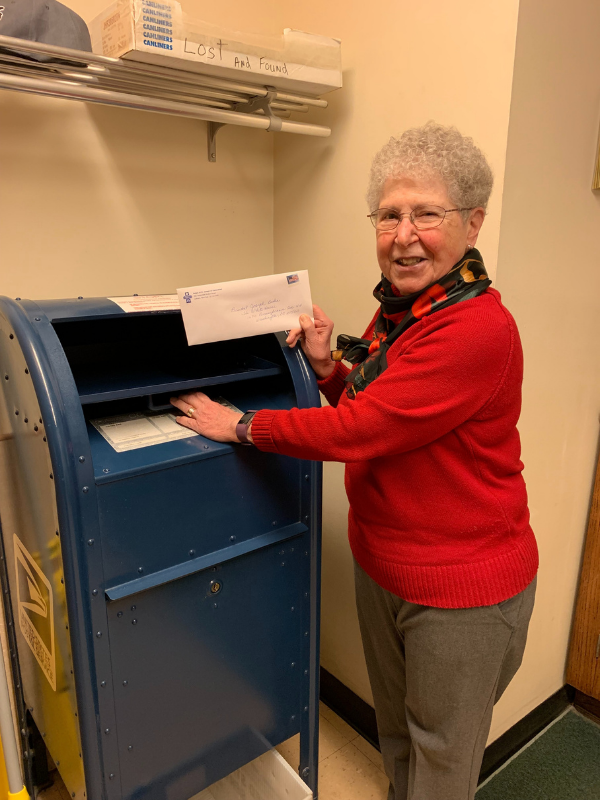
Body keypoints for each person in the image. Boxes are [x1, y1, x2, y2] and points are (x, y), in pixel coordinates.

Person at [170, 121, 538, 800]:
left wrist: (242, 425)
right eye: (389, 215)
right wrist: (326, 368)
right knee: (396, 733)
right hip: (387, 565)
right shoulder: (404, 311)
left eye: (427, 214)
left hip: (460, 589)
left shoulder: (476, 328)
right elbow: (382, 405)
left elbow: (361, 429)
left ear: (473, 222)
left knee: (441, 758)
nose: (404, 235)